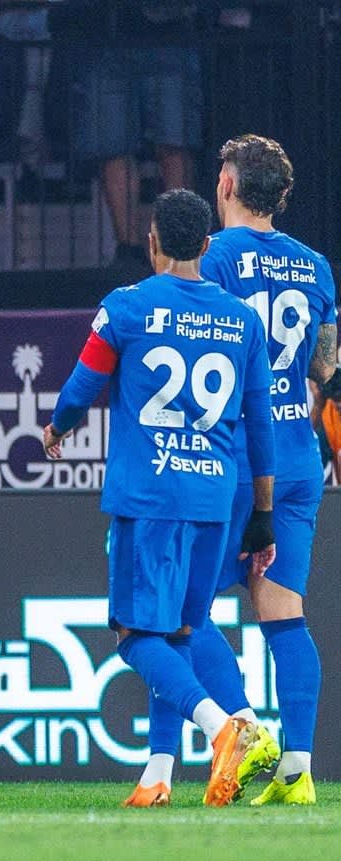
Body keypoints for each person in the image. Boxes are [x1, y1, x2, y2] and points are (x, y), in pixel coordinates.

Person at [41, 188, 281, 807]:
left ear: (151, 242)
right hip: (213, 498)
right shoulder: (242, 320)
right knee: (178, 632)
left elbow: (82, 385)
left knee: (133, 634)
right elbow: (261, 425)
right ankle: (157, 775)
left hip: (147, 495)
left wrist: (58, 428)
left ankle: (223, 727)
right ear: (206, 246)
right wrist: (261, 514)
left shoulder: (126, 307)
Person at [130, 136, 336, 806]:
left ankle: (231, 732)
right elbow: (324, 369)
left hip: (233, 461)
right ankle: (298, 771)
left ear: (224, 185)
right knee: (283, 612)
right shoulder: (315, 267)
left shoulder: (213, 260)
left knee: (174, 616)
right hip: (300, 460)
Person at [48, 3, 201, 270]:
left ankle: (179, 247)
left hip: (168, 34)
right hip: (103, 35)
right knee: (112, 147)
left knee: (175, 143)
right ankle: (128, 249)